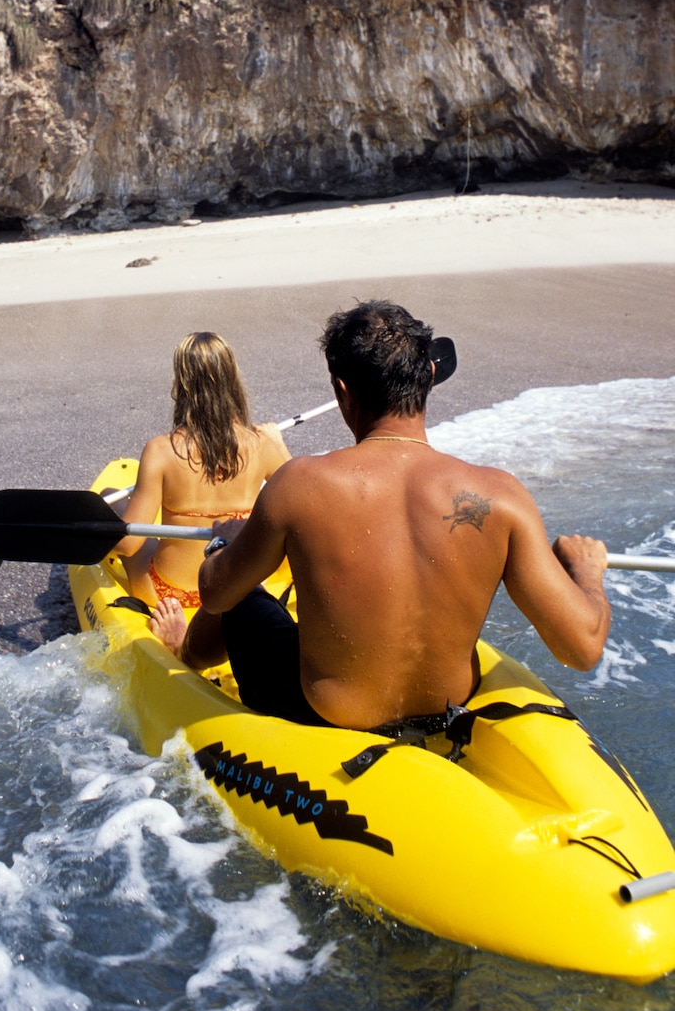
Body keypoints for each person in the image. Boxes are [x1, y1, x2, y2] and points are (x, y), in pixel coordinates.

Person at [152, 300, 610, 730]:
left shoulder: (300, 485)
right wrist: (586, 573)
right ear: (428, 378)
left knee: (243, 594)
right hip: (441, 712)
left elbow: (214, 594)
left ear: (342, 391)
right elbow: (583, 648)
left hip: (321, 713)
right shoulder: (502, 495)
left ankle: (183, 658)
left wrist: (224, 544)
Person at [116, 332, 291, 612]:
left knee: (114, 498)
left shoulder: (160, 451)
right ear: (232, 378)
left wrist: (103, 540)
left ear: (181, 383)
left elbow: (129, 545)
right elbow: (303, 501)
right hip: (238, 589)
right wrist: (278, 445)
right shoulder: (262, 444)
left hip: (170, 596)